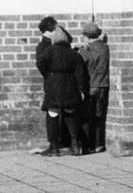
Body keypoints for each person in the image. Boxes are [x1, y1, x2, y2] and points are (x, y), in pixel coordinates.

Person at [37, 26, 88, 156]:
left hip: (54, 85)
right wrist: (81, 89)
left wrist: (49, 75)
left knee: (53, 114)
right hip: (71, 85)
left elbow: (40, 64)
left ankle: (54, 147)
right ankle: (76, 145)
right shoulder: (74, 54)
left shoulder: (49, 52)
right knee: (71, 116)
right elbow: (80, 73)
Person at [77, 21, 110, 153]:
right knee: (99, 116)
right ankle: (99, 143)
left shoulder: (86, 51)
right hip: (103, 84)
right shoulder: (105, 47)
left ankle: (88, 144)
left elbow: (82, 63)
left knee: (87, 116)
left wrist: (80, 50)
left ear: (86, 36)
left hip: (91, 85)